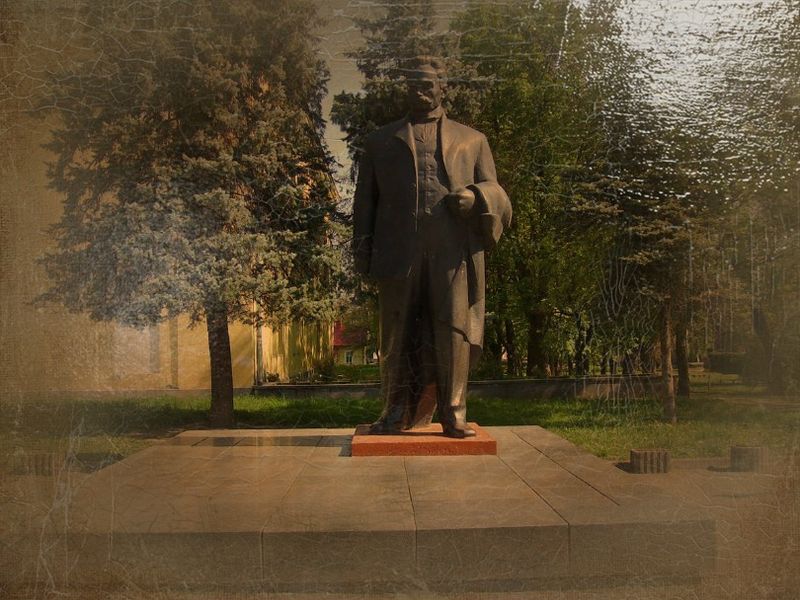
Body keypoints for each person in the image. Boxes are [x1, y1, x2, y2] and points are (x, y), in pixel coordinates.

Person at [353, 56, 511, 438]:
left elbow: (498, 192)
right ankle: (393, 412)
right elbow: (364, 203)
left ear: (443, 87)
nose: (420, 91)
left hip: (452, 252)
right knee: (395, 332)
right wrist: (362, 253)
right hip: (397, 252)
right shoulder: (380, 142)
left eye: (427, 84)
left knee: (452, 331)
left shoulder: (472, 140)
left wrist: (477, 198)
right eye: (412, 85)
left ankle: (453, 411)